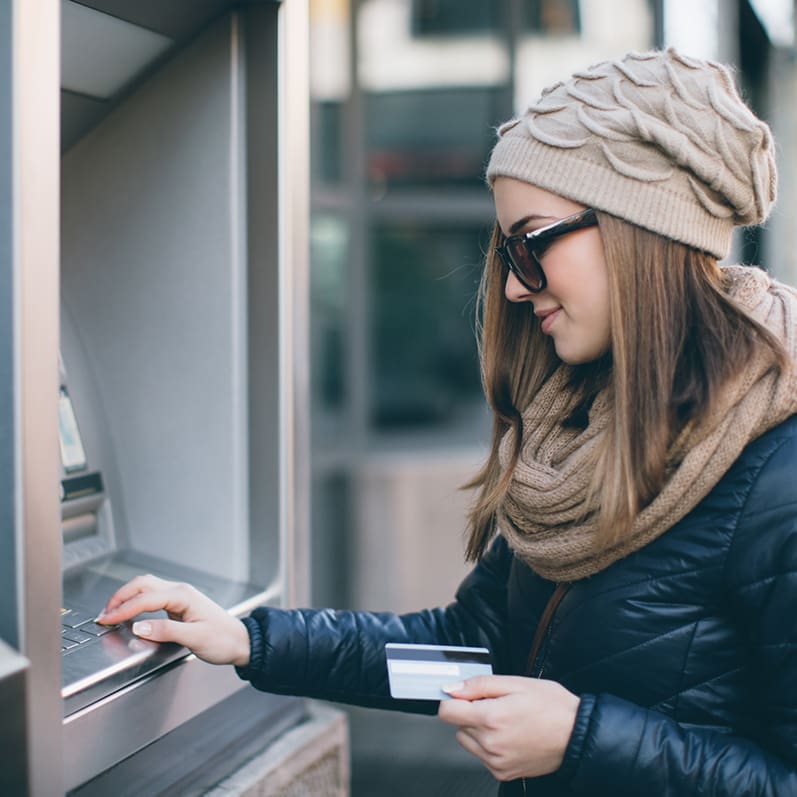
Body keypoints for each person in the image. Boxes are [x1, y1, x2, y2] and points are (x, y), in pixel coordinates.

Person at [98, 48, 797, 795]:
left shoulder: (775, 475)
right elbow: (471, 649)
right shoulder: (584, 430)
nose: (511, 286)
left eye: (528, 244)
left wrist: (581, 738)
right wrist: (248, 640)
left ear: (638, 227)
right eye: (503, 252)